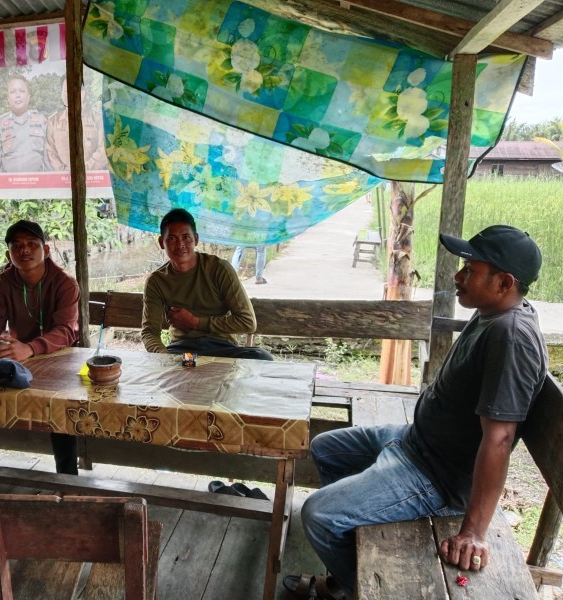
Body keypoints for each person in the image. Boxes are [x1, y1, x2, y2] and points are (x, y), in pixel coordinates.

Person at [293, 225, 547, 599]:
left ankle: (353, 587)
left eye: (470, 270)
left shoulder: (511, 338)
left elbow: (500, 438)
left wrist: (474, 532)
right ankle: (351, 562)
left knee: (319, 515)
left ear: (504, 282)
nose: (458, 276)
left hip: (434, 475)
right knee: (326, 447)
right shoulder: (494, 312)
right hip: (415, 442)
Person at [0, 220, 81, 474]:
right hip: (17, 359)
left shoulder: (65, 284)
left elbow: (67, 331)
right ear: (9, 254)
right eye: (17, 246)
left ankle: (68, 478)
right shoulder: (2, 283)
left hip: (59, 358)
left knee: (60, 403)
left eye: (31, 244)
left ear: (45, 250)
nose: (24, 250)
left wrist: (31, 348)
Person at [141, 208, 272, 360]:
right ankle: (182, 370)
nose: (180, 244)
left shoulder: (219, 269)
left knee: (262, 358)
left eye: (186, 237)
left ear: (196, 239)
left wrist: (196, 322)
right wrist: (166, 359)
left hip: (223, 350)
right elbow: (149, 332)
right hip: (185, 352)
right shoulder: (157, 281)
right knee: (182, 367)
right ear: (161, 243)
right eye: (172, 238)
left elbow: (248, 322)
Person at [0, 75, 48, 173]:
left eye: (22, 91)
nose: (17, 95)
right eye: (13, 92)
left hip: (38, 185)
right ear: (8, 98)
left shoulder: (42, 120)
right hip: (9, 186)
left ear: (28, 97)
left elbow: (49, 156)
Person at [45, 79, 108, 171]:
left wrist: (83, 169)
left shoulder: (98, 119)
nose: (69, 94)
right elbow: (50, 151)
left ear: (83, 93)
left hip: (92, 179)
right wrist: (63, 171)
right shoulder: (53, 122)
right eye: (66, 91)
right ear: (61, 94)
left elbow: (104, 149)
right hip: (62, 179)